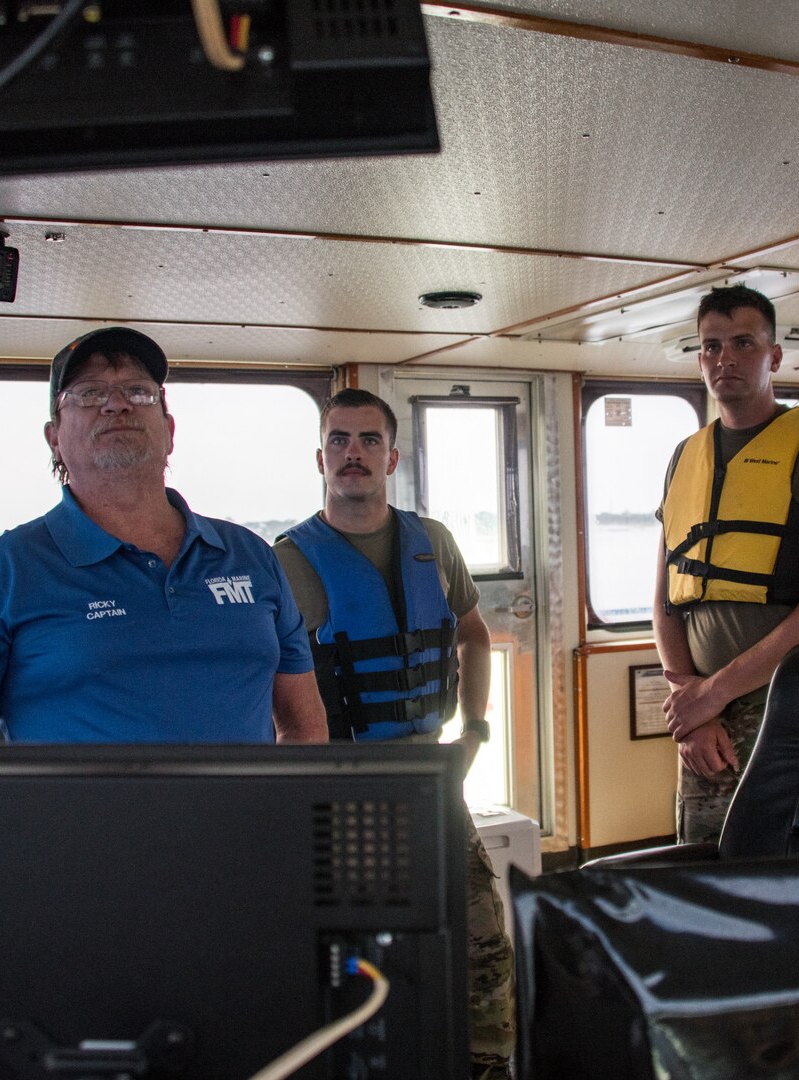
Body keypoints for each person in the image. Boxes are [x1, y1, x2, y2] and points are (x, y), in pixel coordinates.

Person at [0, 326, 327, 745]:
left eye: (138, 391)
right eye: (89, 393)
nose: (117, 404)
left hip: (250, 828)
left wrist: (291, 818)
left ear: (169, 432)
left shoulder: (249, 555)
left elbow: (304, 726)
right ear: (54, 439)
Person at [273, 388, 514, 1080]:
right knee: (355, 959)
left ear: (393, 457)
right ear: (320, 457)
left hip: (433, 778)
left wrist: (474, 729)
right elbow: (270, 688)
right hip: (342, 790)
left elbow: (471, 633)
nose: (354, 454)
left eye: (369, 440)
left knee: (483, 945)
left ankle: (487, 1067)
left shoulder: (431, 542)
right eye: (340, 440)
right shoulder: (288, 560)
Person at [656, 285, 799, 845]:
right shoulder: (685, 455)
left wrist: (713, 693)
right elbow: (664, 600)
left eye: (743, 343)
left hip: (790, 705)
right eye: (710, 346)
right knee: (703, 874)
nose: (724, 359)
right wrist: (693, 702)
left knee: (785, 873)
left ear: (774, 356)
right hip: (703, 716)